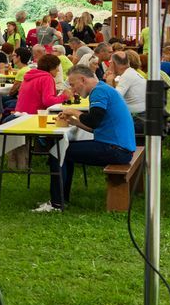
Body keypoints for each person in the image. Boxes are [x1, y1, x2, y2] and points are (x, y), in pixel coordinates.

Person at [37, 64, 135, 213]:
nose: (72, 90)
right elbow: (97, 126)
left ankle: (56, 204)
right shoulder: (103, 88)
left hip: (116, 149)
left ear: (82, 80)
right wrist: (75, 122)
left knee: (58, 151)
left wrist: (73, 111)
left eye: (72, 84)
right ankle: (62, 199)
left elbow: (93, 120)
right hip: (120, 147)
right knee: (64, 150)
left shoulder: (99, 92)